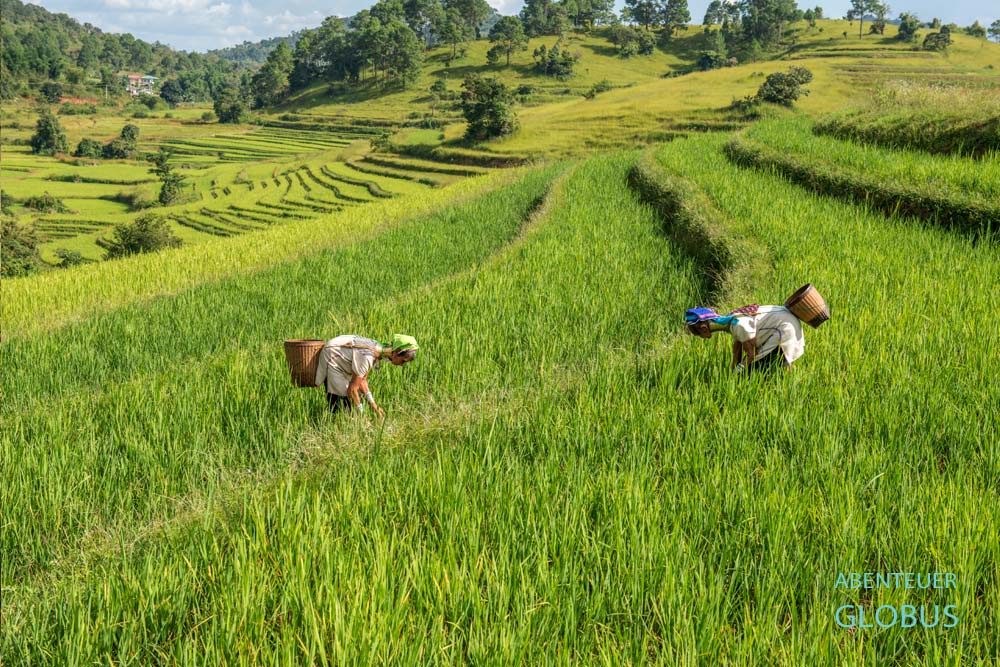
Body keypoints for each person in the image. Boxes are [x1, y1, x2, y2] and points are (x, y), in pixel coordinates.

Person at [314, 333, 419, 416]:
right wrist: (362, 413)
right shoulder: (368, 356)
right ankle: (336, 426)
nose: (402, 365)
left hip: (340, 357)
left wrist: (374, 405)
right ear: (396, 352)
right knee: (343, 403)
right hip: (332, 357)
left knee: (351, 401)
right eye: (403, 361)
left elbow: (362, 380)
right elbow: (352, 389)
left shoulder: (377, 351)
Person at [685, 304, 804, 374]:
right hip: (783, 319)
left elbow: (751, 354)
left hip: (785, 326)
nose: (701, 337)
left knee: (762, 362)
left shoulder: (738, 325)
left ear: (704, 329)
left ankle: (791, 380)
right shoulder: (731, 320)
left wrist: (737, 371)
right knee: (757, 363)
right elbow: (737, 345)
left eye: (698, 334)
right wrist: (733, 367)